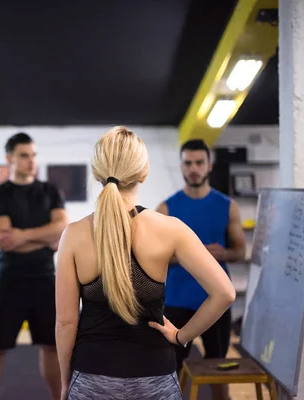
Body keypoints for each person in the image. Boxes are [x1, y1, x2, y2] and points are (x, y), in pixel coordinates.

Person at [55, 126, 236, 400]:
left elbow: (66, 323)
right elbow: (224, 293)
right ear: (144, 172)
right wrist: (181, 336)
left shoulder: (74, 235)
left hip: (93, 375)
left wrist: (65, 381)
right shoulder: (171, 229)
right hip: (155, 376)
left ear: (96, 173)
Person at [0, 132, 69, 400]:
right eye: (24, 155)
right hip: (10, 282)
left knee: (52, 347)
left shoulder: (50, 191)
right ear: (10, 158)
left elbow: (61, 231)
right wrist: (44, 236)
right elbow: (4, 241)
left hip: (45, 281)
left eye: (34, 155)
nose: (31, 161)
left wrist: (22, 236)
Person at [156, 138, 246, 400]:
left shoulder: (228, 206)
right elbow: (154, 257)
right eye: (188, 163)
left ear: (209, 165)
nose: (193, 168)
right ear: (181, 167)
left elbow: (240, 252)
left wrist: (224, 253)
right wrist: (189, 255)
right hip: (176, 302)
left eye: (199, 162)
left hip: (216, 301)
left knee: (218, 369)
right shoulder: (166, 208)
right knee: (170, 372)